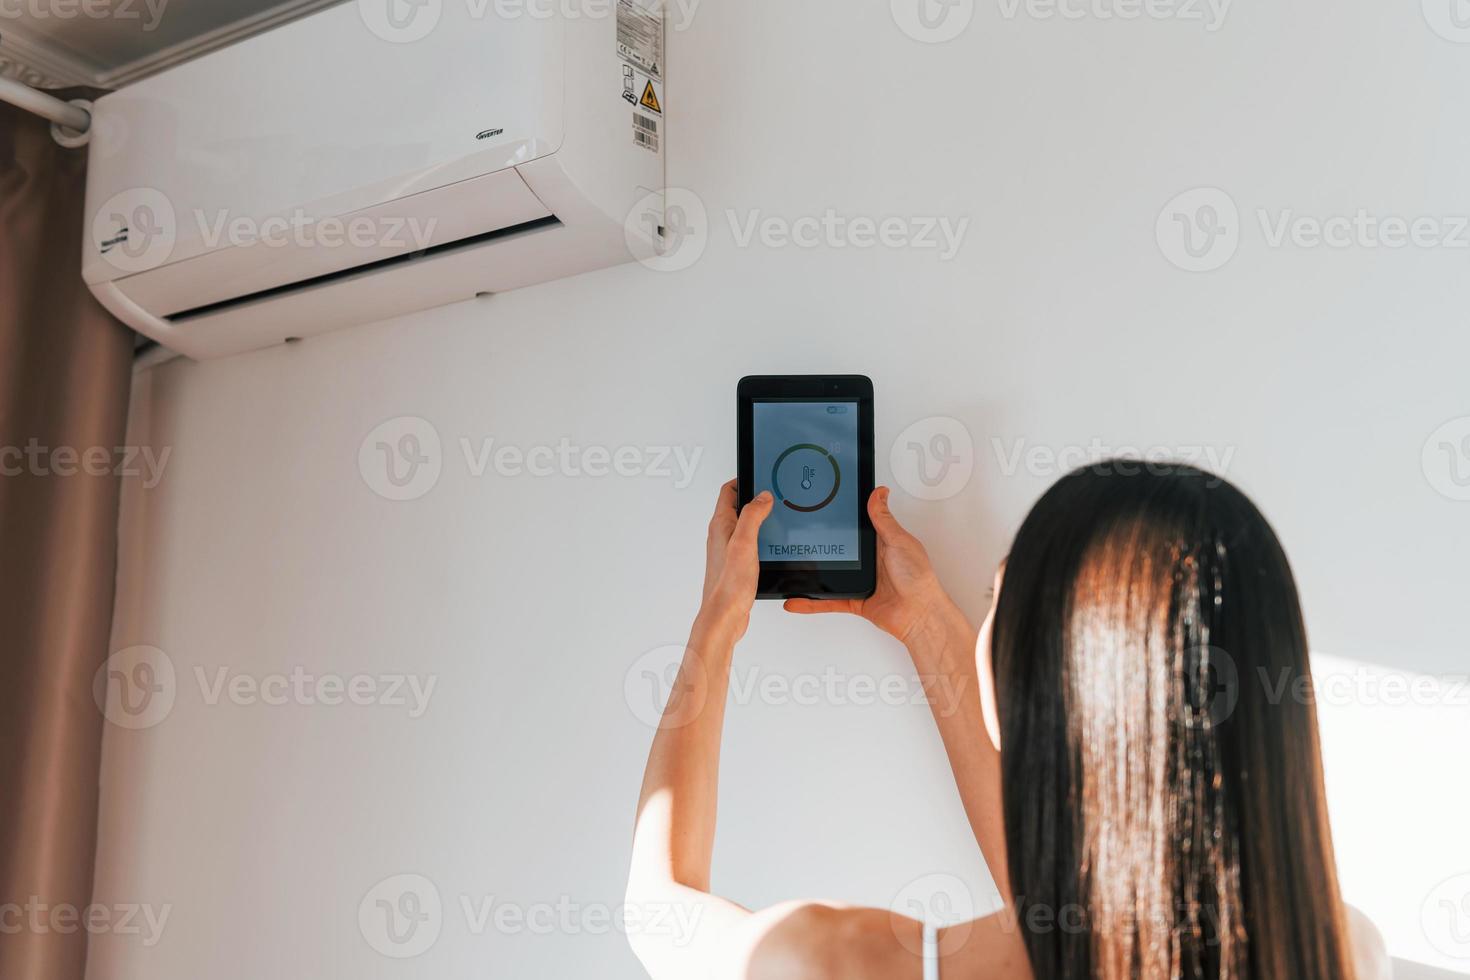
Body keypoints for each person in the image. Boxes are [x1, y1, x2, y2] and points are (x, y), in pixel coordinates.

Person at [626, 464, 1389, 979]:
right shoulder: (1345, 946)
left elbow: (656, 912)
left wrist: (716, 624)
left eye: (996, 598)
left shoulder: (851, 961)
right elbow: (1067, 896)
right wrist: (926, 623)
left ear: (1035, 677)